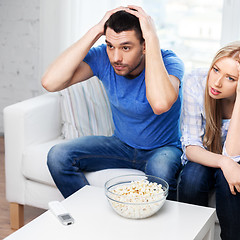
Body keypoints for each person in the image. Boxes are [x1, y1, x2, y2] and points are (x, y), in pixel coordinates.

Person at [42, 5, 184, 200]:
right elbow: (50, 82)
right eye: (111, 46)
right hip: (121, 145)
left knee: (161, 171)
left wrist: (152, 37)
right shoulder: (104, 57)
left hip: (163, 149)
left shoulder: (169, 62)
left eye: (126, 47)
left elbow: (160, 104)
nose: (116, 57)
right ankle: (92, 215)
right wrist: (96, 30)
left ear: (144, 45)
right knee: (58, 156)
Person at [178, 40, 240, 239]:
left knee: (226, 178)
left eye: (231, 78)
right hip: (209, 159)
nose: (216, 82)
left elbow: (234, 154)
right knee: (191, 178)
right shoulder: (196, 80)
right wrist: (223, 162)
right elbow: (191, 147)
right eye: (215, 69)